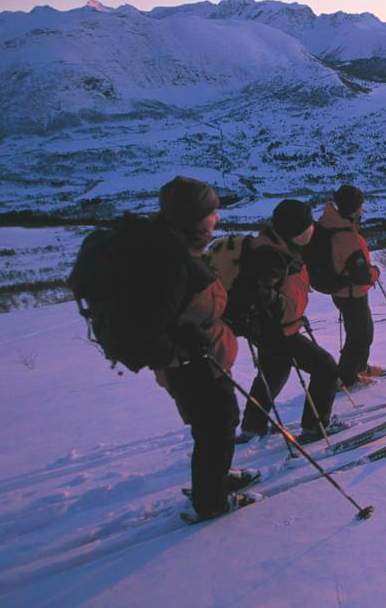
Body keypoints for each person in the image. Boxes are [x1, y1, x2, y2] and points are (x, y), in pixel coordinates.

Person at [145, 176, 257, 520]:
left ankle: (215, 479)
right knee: (216, 426)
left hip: (202, 359)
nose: (217, 219)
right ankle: (211, 503)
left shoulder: (180, 251)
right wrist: (185, 344)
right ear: (193, 218)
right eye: (211, 213)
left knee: (216, 425)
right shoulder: (171, 263)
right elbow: (152, 326)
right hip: (192, 365)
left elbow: (193, 309)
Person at [230, 199, 344, 445]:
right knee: (326, 369)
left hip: (270, 330)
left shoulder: (276, 246)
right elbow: (257, 291)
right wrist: (282, 308)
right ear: (298, 231)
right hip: (279, 331)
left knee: (272, 373)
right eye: (308, 226)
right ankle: (316, 427)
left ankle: (253, 426)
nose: (312, 229)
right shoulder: (272, 256)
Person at [317, 185, 384, 389]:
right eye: (361, 206)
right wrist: (375, 272)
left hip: (341, 290)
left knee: (360, 330)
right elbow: (362, 276)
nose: (363, 210)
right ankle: (347, 378)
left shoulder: (330, 224)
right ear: (355, 208)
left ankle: (359, 367)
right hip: (352, 291)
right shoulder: (348, 236)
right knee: (360, 334)